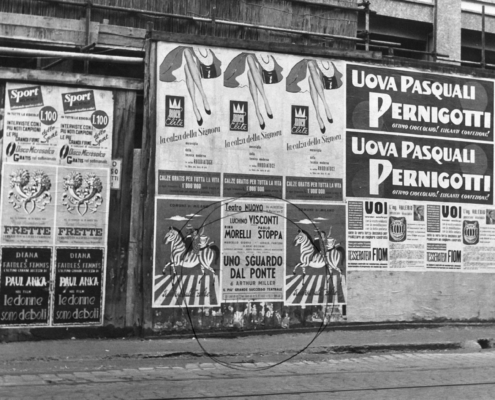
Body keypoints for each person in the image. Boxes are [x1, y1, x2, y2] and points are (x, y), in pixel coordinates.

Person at [159, 46, 222, 126]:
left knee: (187, 64)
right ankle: (202, 98)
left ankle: (196, 104)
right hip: (187, 62)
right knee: (186, 54)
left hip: (196, 67)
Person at [224, 52, 283, 130]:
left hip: (256, 69)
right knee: (249, 59)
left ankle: (258, 110)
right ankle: (265, 101)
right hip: (246, 62)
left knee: (250, 72)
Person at [286, 59, 343, 133]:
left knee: (311, 75)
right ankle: (323, 108)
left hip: (317, 68)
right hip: (306, 65)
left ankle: (319, 112)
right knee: (310, 66)